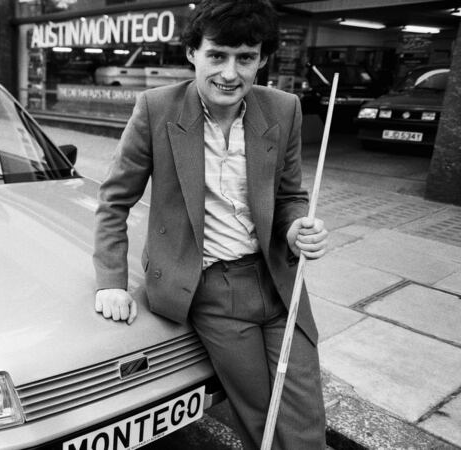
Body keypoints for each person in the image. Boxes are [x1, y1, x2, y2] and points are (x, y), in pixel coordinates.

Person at [92, 0, 329, 448]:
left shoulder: (284, 109)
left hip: (279, 281)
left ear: (261, 59)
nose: (230, 72)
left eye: (245, 58)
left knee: (304, 420)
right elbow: (113, 201)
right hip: (211, 287)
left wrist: (298, 227)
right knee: (261, 416)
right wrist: (110, 281)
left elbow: (290, 196)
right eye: (217, 55)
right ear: (193, 54)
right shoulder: (156, 109)